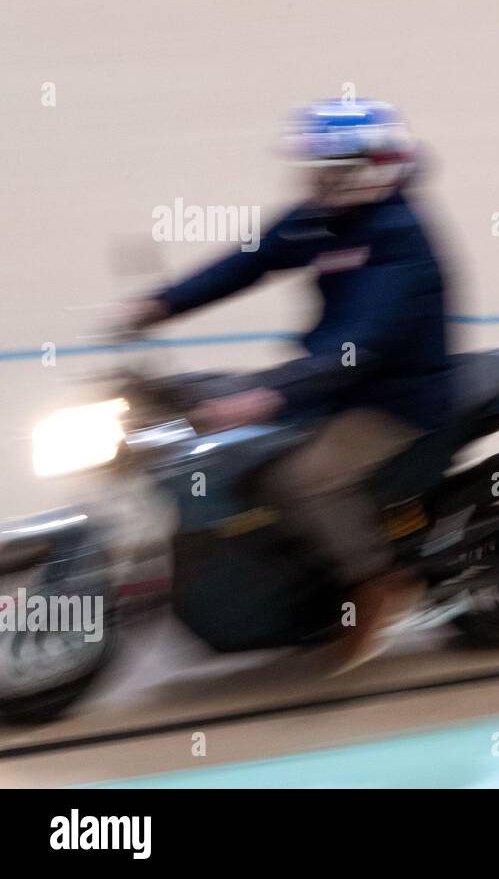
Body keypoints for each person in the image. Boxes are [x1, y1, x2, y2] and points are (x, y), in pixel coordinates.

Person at [125, 99, 455, 670]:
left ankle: (378, 582)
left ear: (365, 168)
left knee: (302, 481)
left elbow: (358, 345)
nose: (317, 179)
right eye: (315, 168)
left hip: (389, 399)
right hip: (324, 381)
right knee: (186, 412)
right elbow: (250, 260)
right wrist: (163, 303)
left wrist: (269, 394)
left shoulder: (400, 243)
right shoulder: (323, 216)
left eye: (330, 168)